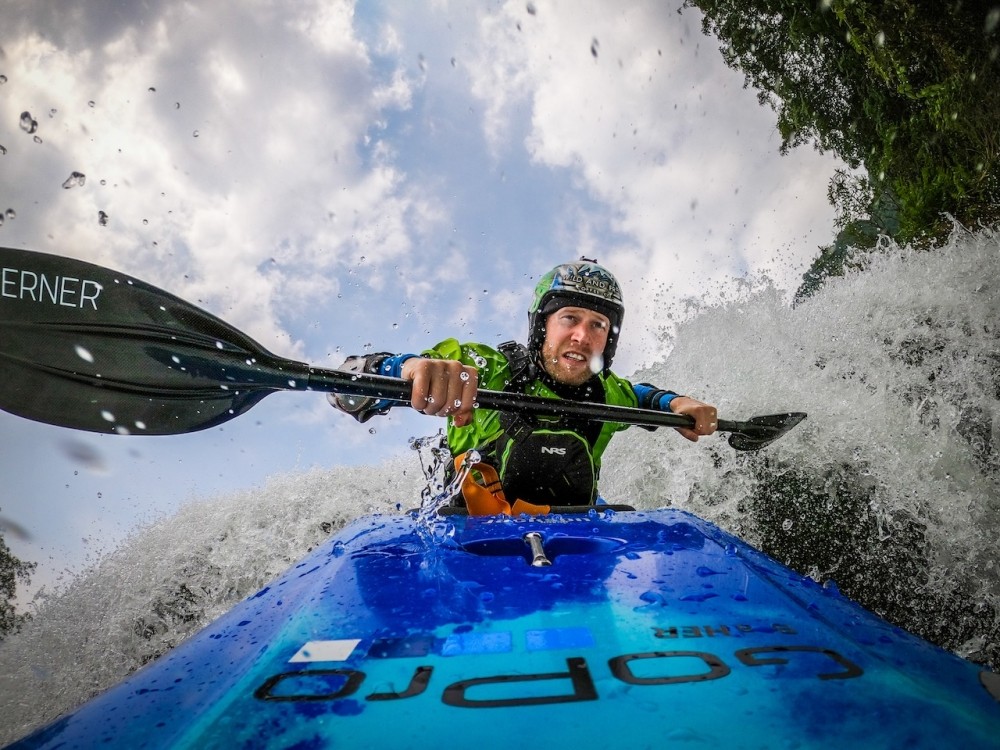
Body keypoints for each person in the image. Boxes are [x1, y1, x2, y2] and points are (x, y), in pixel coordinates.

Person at [330, 260, 717, 514]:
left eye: (598, 325)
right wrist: (412, 369)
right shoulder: (484, 369)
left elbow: (645, 398)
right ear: (542, 326)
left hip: (578, 544)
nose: (583, 336)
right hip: (470, 542)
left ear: (608, 342)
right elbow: (346, 387)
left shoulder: (608, 393)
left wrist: (677, 403)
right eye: (570, 318)